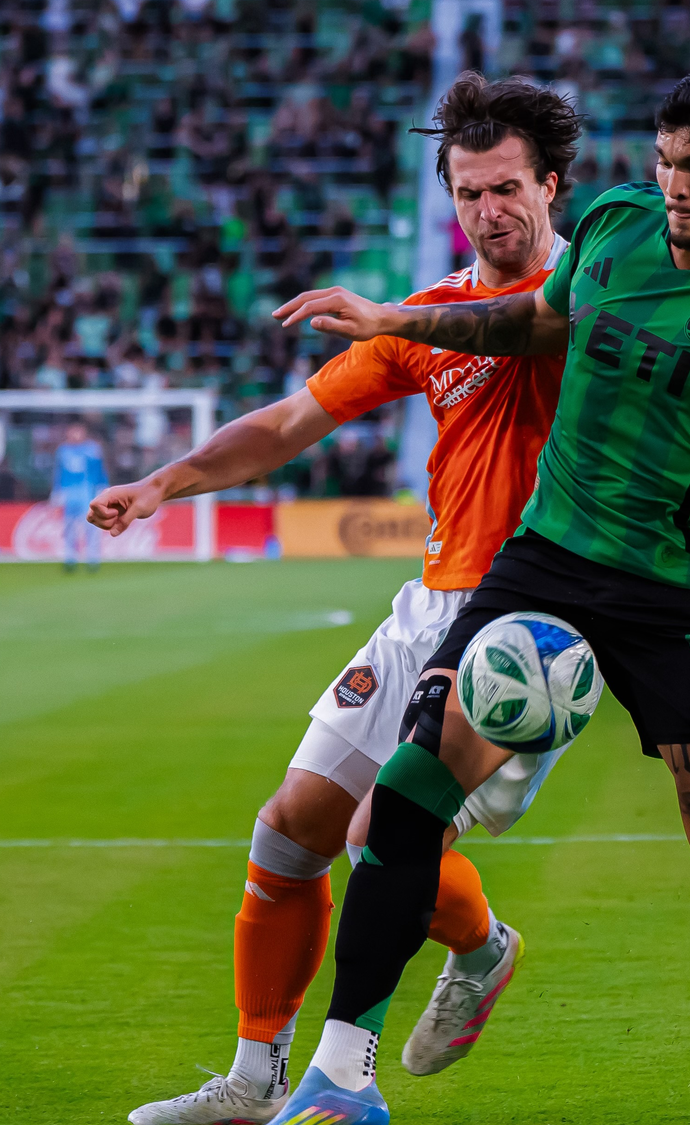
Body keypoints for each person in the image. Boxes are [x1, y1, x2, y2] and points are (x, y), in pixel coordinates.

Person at [272, 66, 690, 1125]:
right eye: (665, 161)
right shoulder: (618, 226)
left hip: (678, 597)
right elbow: (530, 324)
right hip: (545, 555)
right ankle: (340, 1079)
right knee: (403, 797)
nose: (675, 184)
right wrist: (386, 320)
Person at [97, 74, 583, 1124]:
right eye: (466, 192)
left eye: (506, 188)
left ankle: (466, 954)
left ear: (551, 184)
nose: (488, 210)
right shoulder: (424, 318)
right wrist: (162, 484)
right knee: (287, 830)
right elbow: (283, 426)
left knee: (380, 832)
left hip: (529, 627)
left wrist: (396, 316)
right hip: (428, 606)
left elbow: (538, 330)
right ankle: (251, 1075)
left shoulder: (597, 292)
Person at [52, 422, 107, 572]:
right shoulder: (63, 450)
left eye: (78, 432)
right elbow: (59, 473)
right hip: (70, 493)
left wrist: (102, 487)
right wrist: (57, 493)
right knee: (69, 528)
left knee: (91, 527)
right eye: (72, 432)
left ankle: (93, 558)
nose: (75, 435)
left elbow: (99, 470)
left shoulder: (92, 449)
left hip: (86, 492)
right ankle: (70, 558)